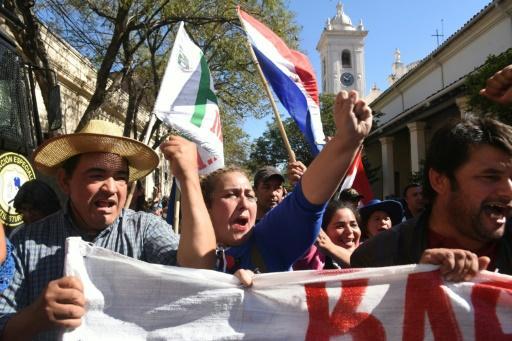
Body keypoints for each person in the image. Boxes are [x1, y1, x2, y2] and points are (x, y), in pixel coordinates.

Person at [0, 120, 216, 340]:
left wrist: (189, 177)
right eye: (97, 175)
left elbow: (199, 270)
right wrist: (37, 316)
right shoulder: (25, 242)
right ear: (65, 181)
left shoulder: (144, 230)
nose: (111, 188)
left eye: (121, 178)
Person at [202, 90, 372, 274]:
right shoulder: (178, 254)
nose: (244, 203)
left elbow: (306, 203)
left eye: (250, 195)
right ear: (206, 206)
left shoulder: (269, 239)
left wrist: (346, 141)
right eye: (231, 195)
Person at [351, 115, 512, 280]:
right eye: (490, 177)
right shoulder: (376, 257)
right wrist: (412, 284)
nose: (508, 191)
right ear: (439, 180)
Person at [293, 200, 361, 270]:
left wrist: (330, 246)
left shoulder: (370, 251)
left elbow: (365, 266)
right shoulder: (314, 258)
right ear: (323, 232)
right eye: (340, 226)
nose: (349, 231)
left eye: (353, 225)